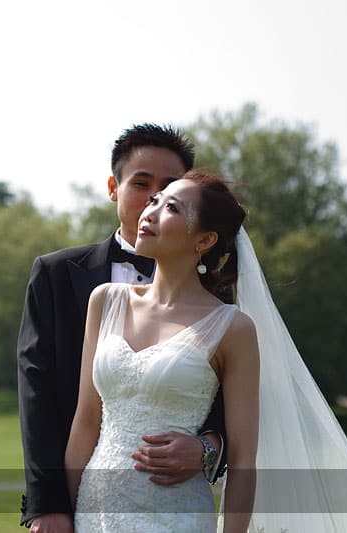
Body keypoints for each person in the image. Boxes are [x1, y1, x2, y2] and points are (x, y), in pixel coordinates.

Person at [66, 170, 347, 532]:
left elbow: (242, 460)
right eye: (154, 201)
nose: (151, 211)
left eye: (171, 207)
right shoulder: (106, 300)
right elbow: (85, 422)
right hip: (93, 511)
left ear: (204, 239)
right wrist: (67, 513)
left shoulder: (232, 328)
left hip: (173, 516)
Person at [17, 125, 229, 532]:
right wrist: (48, 505)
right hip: (80, 499)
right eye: (141, 184)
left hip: (173, 501)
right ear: (114, 187)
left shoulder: (218, 295)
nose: (153, 199)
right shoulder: (57, 274)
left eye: (168, 189)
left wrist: (207, 446)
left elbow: (233, 399)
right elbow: (36, 392)